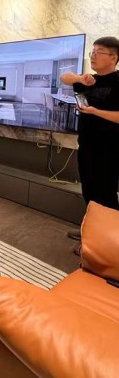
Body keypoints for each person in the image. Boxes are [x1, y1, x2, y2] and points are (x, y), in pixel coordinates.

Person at [60, 36, 119, 253]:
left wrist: (95, 112)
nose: (93, 56)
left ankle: (105, 245)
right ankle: (91, 230)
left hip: (109, 150)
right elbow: (64, 77)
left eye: (99, 52)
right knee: (89, 191)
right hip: (86, 145)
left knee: (105, 195)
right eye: (92, 52)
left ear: (113, 57)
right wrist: (80, 77)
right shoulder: (88, 80)